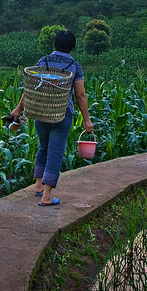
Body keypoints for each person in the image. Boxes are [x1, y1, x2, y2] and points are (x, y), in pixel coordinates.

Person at [11, 30, 93, 206]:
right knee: (55, 152)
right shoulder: (75, 66)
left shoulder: (43, 61)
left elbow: (31, 89)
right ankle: (47, 197)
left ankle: (38, 185)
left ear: (55, 44)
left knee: (44, 147)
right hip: (62, 115)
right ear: (72, 47)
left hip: (40, 112)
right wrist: (87, 120)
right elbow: (80, 95)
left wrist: (19, 109)